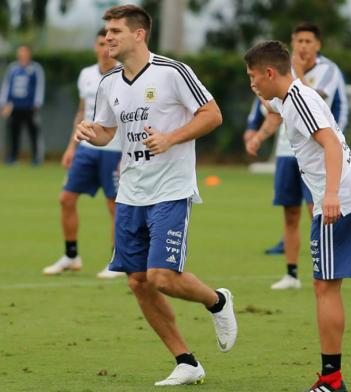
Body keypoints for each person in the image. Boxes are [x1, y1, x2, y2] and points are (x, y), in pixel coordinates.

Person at [75, 4, 237, 386]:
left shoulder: (173, 72)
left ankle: (218, 300)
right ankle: (186, 361)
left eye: (115, 31)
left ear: (139, 34)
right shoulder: (109, 82)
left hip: (171, 188)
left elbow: (213, 115)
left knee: (162, 277)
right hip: (131, 192)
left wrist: (171, 137)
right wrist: (90, 133)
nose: (108, 38)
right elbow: (107, 132)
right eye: (106, 32)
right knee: (138, 282)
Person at [245, 40, 351, 392]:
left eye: (252, 77)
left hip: (341, 203)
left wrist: (329, 195)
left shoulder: (298, 99)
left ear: (269, 72)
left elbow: (329, 143)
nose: (251, 85)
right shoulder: (293, 96)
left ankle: (331, 380)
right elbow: (274, 104)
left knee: (325, 287)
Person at [246, 22, 349, 290]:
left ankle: (330, 269)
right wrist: (258, 136)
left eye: (308, 41)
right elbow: (277, 110)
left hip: (317, 154)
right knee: (289, 214)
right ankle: (291, 274)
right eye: (298, 41)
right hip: (286, 153)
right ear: (292, 42)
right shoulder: (278, 71)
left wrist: (299, 72)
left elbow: (313, 101)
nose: (303, 46)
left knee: (317, 211)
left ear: (318, 45)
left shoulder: (328, 70)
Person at [42, 29, 124, 279]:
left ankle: (117, 261)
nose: (105, 48)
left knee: (115, 206)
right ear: (95, 46)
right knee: (66, 198)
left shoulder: (125, 75)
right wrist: (70, 146)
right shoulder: (86, 75)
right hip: (86, 149)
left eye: (110, 43)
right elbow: (81, 112)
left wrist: (127, 153)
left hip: (115, 150)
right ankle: (71, 255)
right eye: (101, 43)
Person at [0, 45, 45, 165]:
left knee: (33, 132)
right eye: (21, 52)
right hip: (14, 107)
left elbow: (40, 86)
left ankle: (36, 158)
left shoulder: (36, 68)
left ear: (29, 54)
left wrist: (37, 103)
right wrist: (3, 103)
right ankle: (12, 158)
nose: (23, 54)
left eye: (25, 52)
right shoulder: (12, 68)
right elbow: (6, 85)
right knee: (13, 133)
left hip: (30, 107)